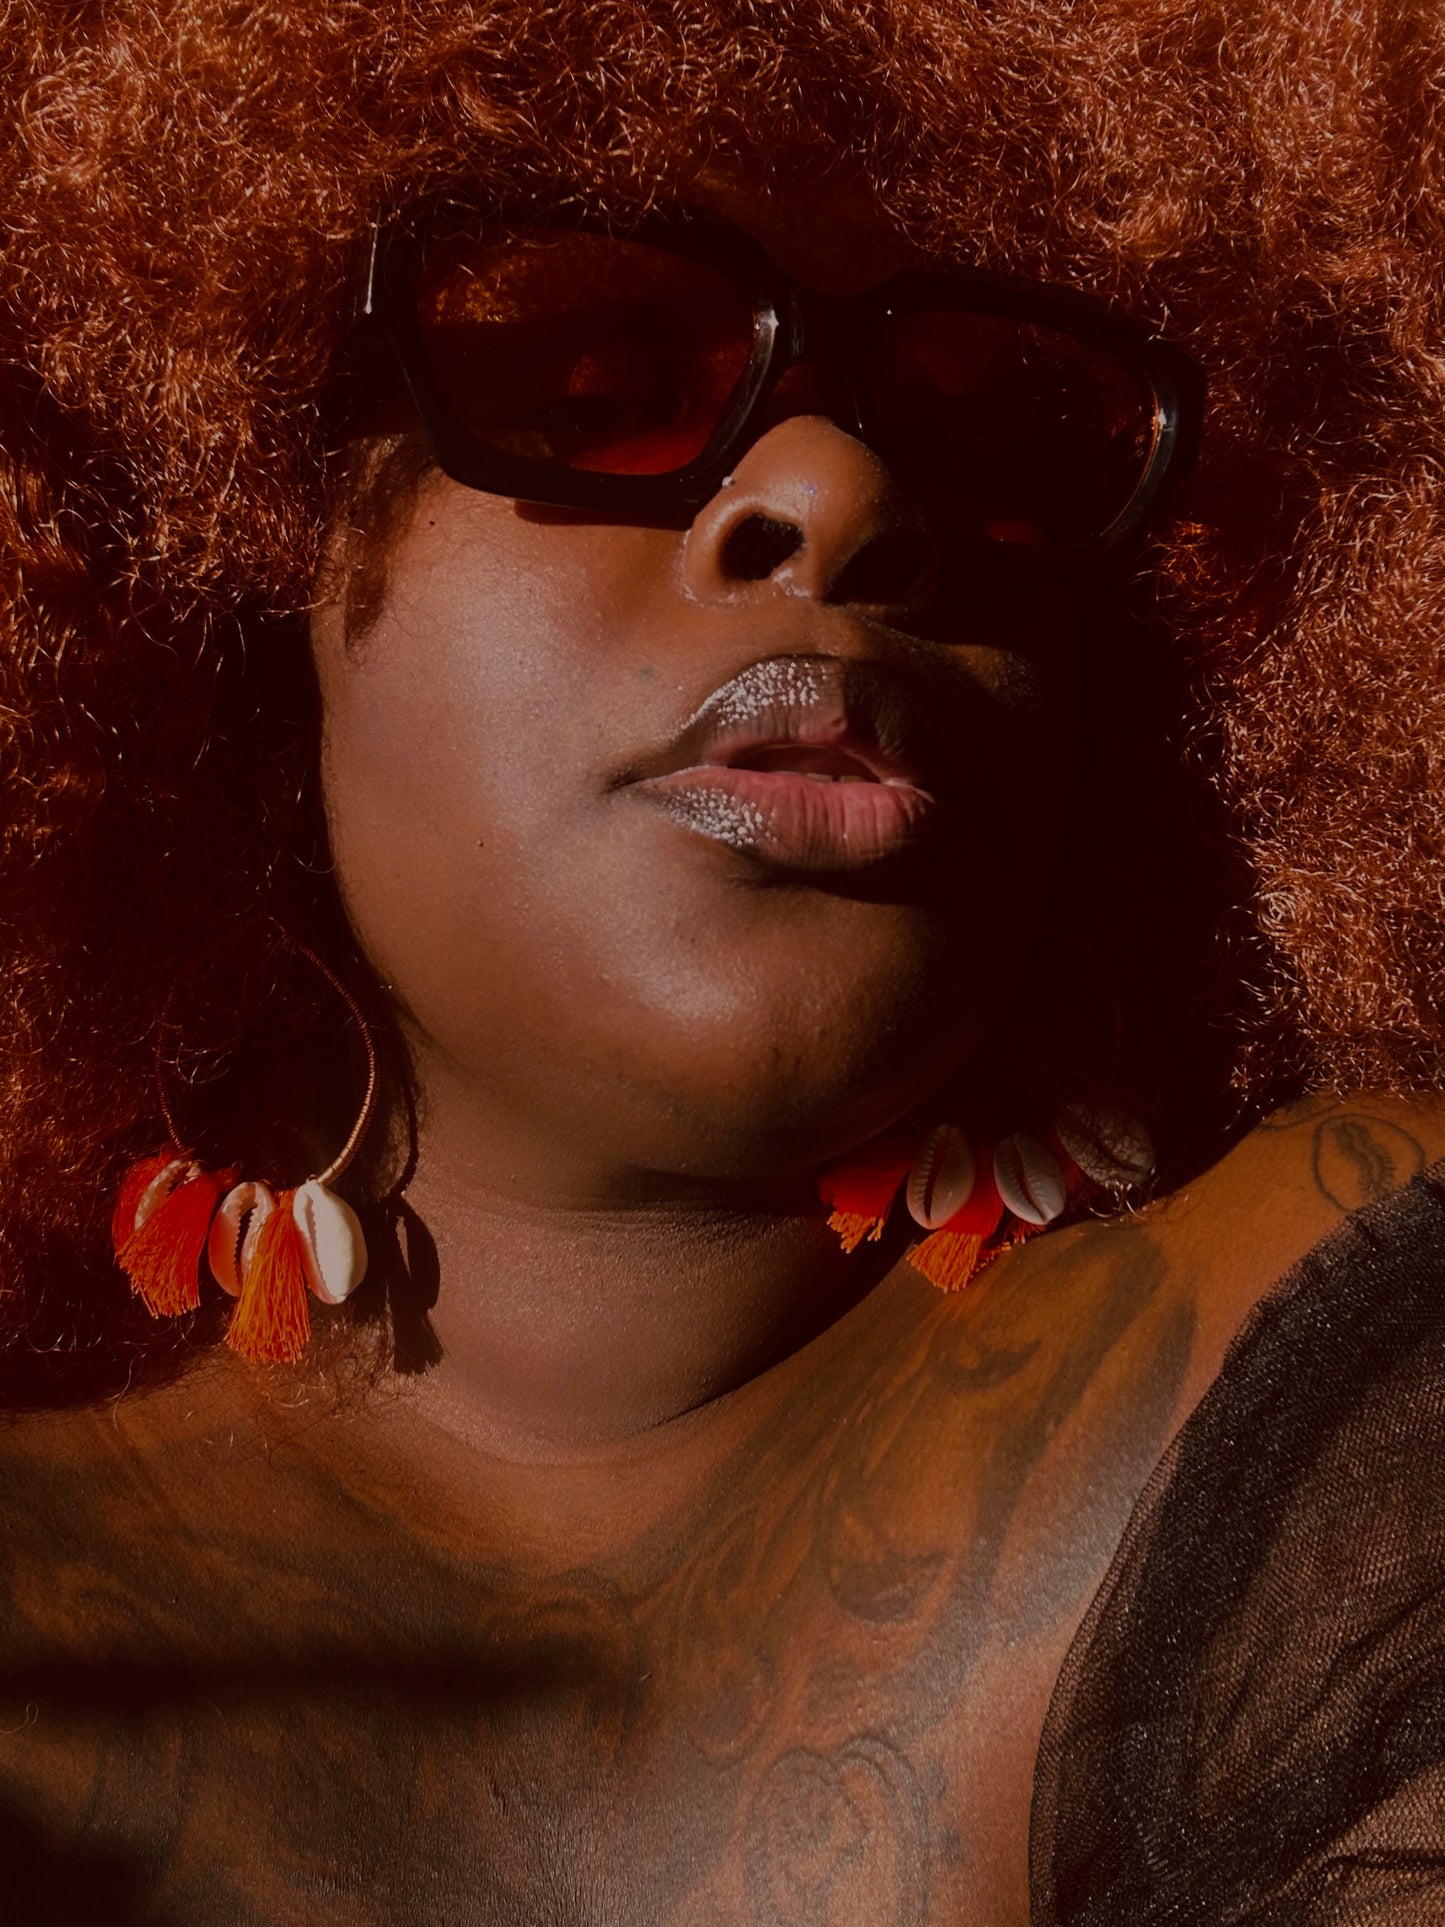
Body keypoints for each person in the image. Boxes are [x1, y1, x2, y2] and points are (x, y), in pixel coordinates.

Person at [3, 1, 1445, 1921]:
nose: (842, 498)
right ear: (223, 551)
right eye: (596, 374)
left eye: (995, 427)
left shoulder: (1347, 1356)